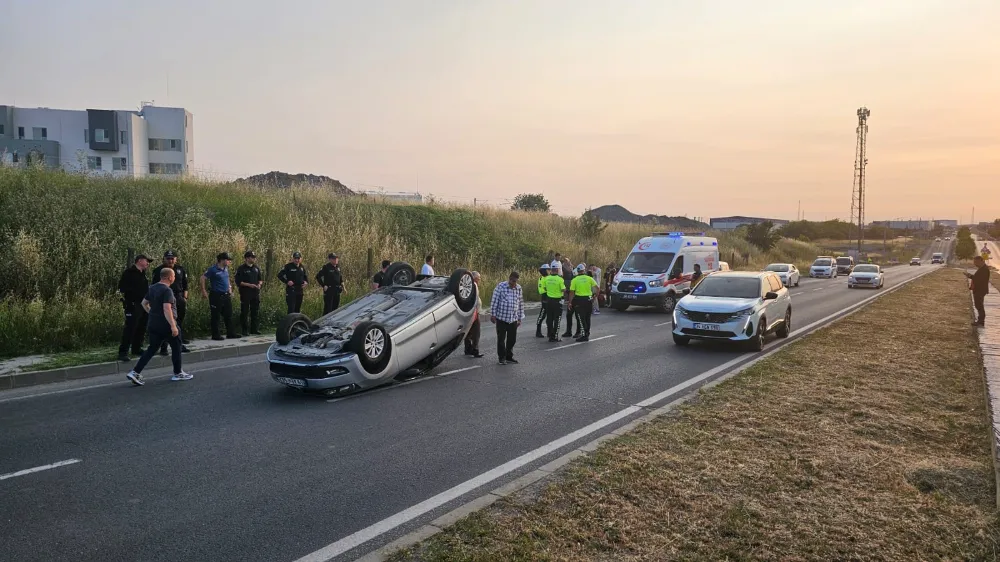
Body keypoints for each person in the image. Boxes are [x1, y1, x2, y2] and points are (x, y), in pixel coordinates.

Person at [125, 267, 192, 385]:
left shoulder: (152, 288)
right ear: (170, 277)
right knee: (176, 346)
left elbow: (144, 303)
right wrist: (173, 325)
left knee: (152, 348)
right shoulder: (167, 290)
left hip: (153, 324)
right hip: (166, 324)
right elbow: (167, 309)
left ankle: (135, 372)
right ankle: (178, 373)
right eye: (174, 276)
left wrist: (152, 313)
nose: (174, 278)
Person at [151, 250, 191, 354]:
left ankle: (179, 344)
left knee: (178, 322)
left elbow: (185, 285)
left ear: (176, 259)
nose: (170, 260)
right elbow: (154, 287)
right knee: (166, 322)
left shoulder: (180, 269)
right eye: (168, 258)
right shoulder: (159, 270)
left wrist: (184, 298)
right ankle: (163, 347)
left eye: (172, 258)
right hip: (165, 299)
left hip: (178, 297)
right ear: (164, 259)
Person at [117, 254, 150, 362]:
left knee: (141, 327)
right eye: (146, 261)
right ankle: (123, 352)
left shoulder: (143, 273)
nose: (148, 263)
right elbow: (122, 288)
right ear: (139, 261)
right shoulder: (129, 273)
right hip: (132, 304)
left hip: (143, 304)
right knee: (130, 328)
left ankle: (136, 348)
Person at [201, 252, 239, 340]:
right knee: (216, 316)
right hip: (216, 295)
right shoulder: (213, 269)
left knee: (228, 315)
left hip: (226, 294)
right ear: (222, 260)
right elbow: (202, 278)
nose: (229, 261)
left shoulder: (226, 269)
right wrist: (203, 290)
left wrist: (230, 289)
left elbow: (227, 279)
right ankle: (215, 335)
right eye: (228, 260)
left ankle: (230, 333)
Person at [490, 271, 525, 364]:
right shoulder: (501, 286)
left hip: (513, 318)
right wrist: (493, 314)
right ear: (509, 279)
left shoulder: (518, 288)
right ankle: (502, 358)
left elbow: (520, 303)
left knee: (512, 339)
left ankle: (509, 356)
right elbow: (494, 300)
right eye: (512, 281)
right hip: (501, 317)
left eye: (515, 281)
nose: (514, 283)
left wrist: (520, 318)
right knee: (501, 339)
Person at [235, 250, 263, 335]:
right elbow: (238, 282)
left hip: (255, 293)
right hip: (245, 293)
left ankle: (254, 329)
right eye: (252, 257)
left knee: (255, 311)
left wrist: (259, 284)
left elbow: (260, 279)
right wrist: (249, 285)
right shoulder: (241, 268)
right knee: (245, 312)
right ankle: (244, 330)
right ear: (247, 258)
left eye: (254, 257)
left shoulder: (256, 268)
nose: (254, 259)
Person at [569, 264, 599, 342]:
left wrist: (570, 302)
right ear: (584, 270)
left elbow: (572, 292)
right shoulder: (589, 278)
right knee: (587, 318)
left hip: (579, 299)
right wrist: (594, 297)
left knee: (581, 318)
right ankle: (587, 333)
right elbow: (597, 288)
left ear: (577, 271)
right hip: (588, 299)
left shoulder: (574, 280)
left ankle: (583, 335)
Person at [543, 262, 566, 342]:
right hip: (557, 301)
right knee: (557, 319)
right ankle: (554, 336)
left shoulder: (546, 278)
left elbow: (545, 288)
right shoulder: (560, 279)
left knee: (549, 318)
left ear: (551, 270)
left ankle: (550, 334)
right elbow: (563, 289)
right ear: (557, 270)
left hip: (549, 300)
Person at [464, 271, 484, 358]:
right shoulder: (474, 285)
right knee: (476, 332)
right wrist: (475, 312)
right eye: (478, 278)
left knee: (468, 331)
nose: (479, 280)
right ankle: (475, 350)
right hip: (474, 312)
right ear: (475, 278)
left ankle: (468, 349)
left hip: (469, 312)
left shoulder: (468, 285)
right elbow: (474, 300)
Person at [966, 255, 990, 327]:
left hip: (980, 290)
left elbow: (978, 279)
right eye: (974, 262)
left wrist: (970, 276)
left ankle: (981, 321)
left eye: (976, 262)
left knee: (979, 306)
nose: (975, 264)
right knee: (978, 305)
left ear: (981, 261)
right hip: (979, 290)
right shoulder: (982, 268)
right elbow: (977, 278)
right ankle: (980, 321)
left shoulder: (984, 269)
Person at [562, 259, 579, 338]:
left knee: (577, 316)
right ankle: (569, 331)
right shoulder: (574, 280)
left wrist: (569, 301)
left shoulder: (576, 280)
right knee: (569, 315)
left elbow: (572, 291)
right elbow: (570, 291)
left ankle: (578, 332)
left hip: (577, 299)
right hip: (573, 300)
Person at [535, 263, 549, 338]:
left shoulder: (541, 278)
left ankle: (540, 331)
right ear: (545, 270)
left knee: (544, 315)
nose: (549, 270)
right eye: (548, 269)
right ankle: (539, 332)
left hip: (544, 297)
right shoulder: (546, 278)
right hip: (546, 296)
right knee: (544, 315)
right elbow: (546, 288)